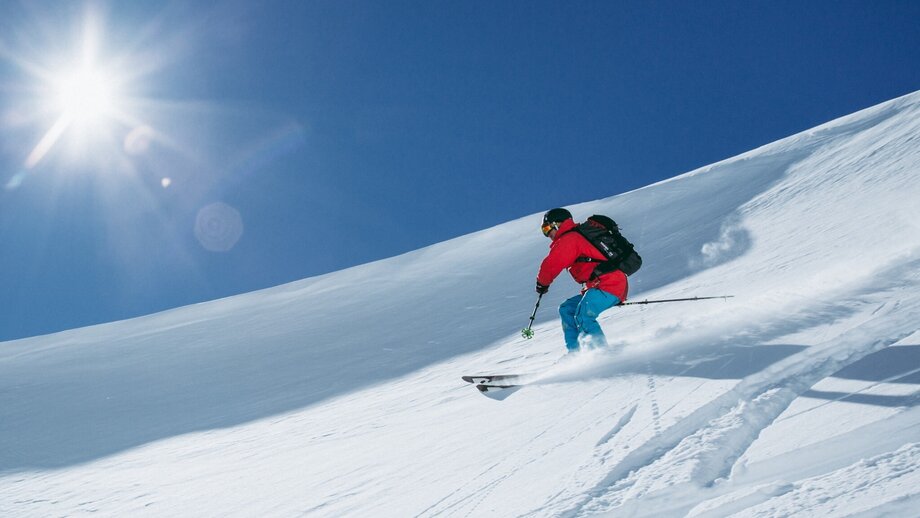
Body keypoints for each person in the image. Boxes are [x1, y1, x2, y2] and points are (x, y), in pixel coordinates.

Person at [535, 208, 628, 352]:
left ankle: (600, 354)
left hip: (609, 283)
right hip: (599, 285)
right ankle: (576, 354)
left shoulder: (570, 239)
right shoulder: (574, 237)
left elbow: (552, 264)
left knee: (583, 315)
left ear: (558, 224)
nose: (547, 234)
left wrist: (542, 283)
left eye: (547, 228)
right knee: (567, 309)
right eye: (544, 230)